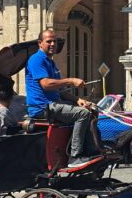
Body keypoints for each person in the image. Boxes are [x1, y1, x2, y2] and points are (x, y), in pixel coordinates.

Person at [26, 28, 99, 168]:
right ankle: (74, 157)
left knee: (91, 109)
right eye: (49, 41)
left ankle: (91, 149)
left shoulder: (51, 63)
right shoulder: (36, 59)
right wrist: (71, 80)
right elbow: (46, 84)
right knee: (82, 114)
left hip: (54, 104)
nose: (53, 44)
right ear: (40, 43)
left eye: (55, 41)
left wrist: (77, 100)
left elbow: (60, 90)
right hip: (42, 107)